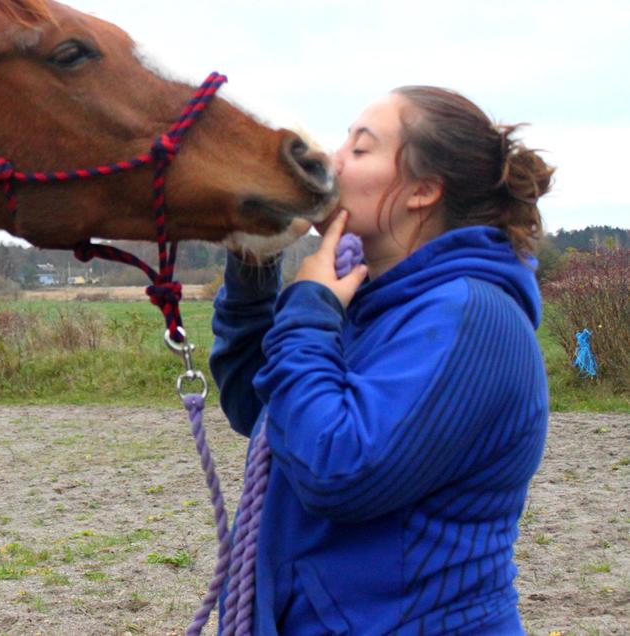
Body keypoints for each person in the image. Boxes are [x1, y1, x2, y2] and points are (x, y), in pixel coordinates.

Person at [209, 86, 555, 634]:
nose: (331, 158)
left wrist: (308, 312)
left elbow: (339, 468)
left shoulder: (471, 317)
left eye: (360, 148)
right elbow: (265, 412)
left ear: (422, 190)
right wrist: (255, 262)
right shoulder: (374, 299)